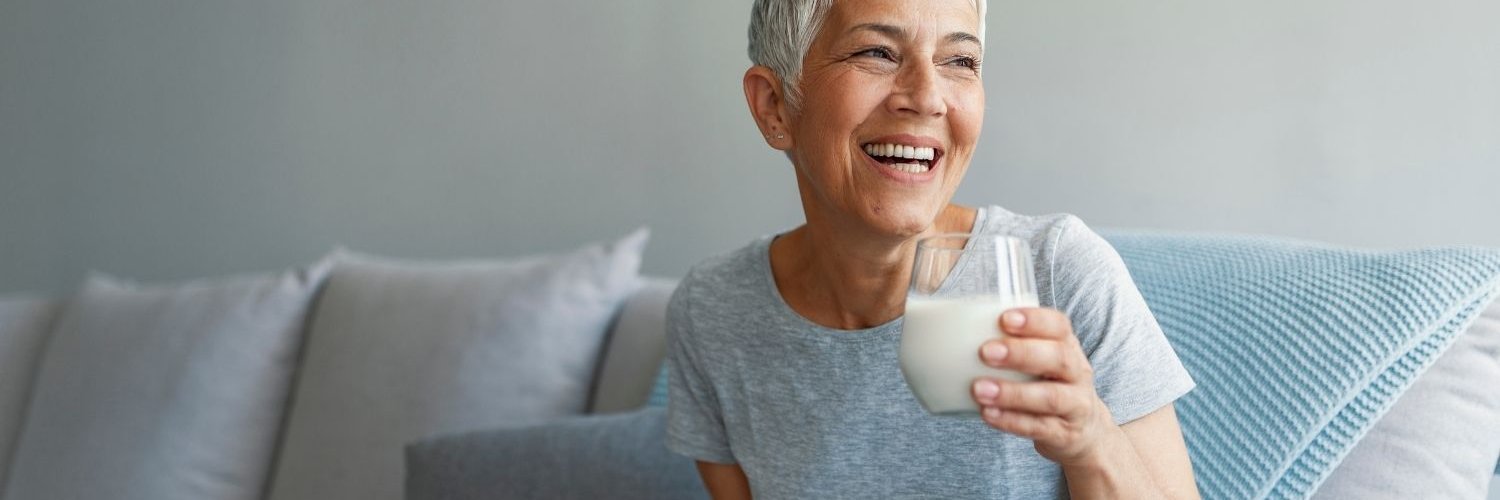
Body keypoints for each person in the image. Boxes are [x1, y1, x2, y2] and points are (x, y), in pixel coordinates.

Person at [663, 0, 1200, 498]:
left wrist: (1091, 439)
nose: (926, 96)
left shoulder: (1057, 270)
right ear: (775, 105)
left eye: (960, 61)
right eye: (876, 52)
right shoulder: (713, 312)